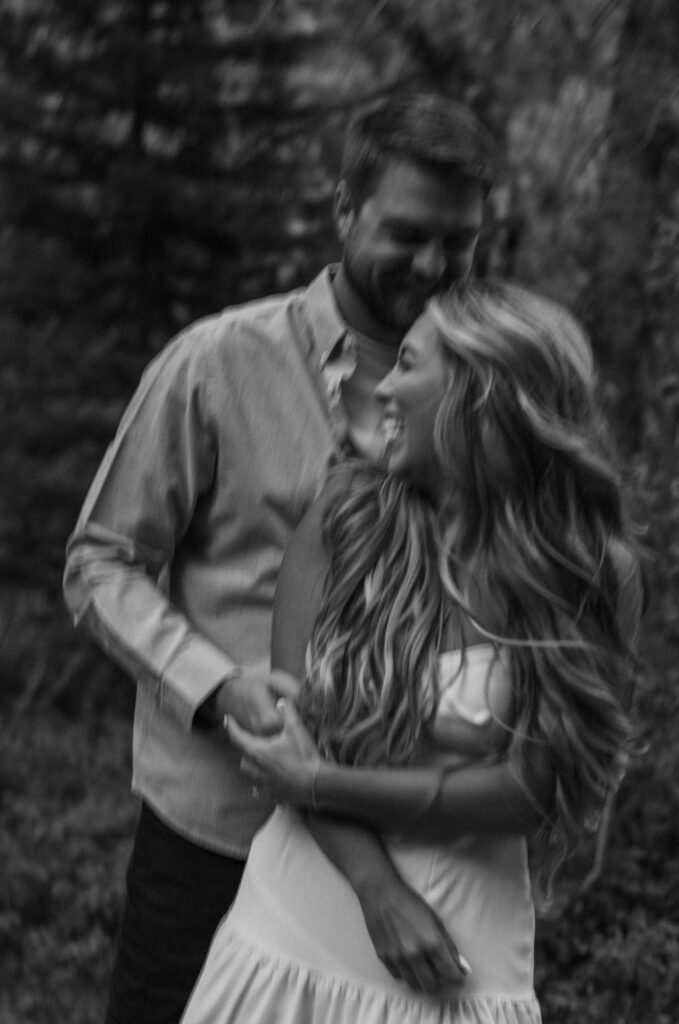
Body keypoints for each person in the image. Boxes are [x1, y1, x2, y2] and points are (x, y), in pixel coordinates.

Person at [62, 91, 497, 1023]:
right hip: (218, 833)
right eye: (407, 233)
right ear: (344, 210)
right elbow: (100, 562)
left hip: (417, 848)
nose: (432, 267)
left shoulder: (494, 388)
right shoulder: (217, 362)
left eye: (456, 243)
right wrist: (218, 688)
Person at [181, 282, 642, 1024]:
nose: (383, 387)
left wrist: (319, 779)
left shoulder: (584, 569)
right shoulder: (346, 514)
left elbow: (528, 791)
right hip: (296, 918)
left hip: (463, 949)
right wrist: (379, 892)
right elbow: (282, 746)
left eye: (408, 365)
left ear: (478, 392)